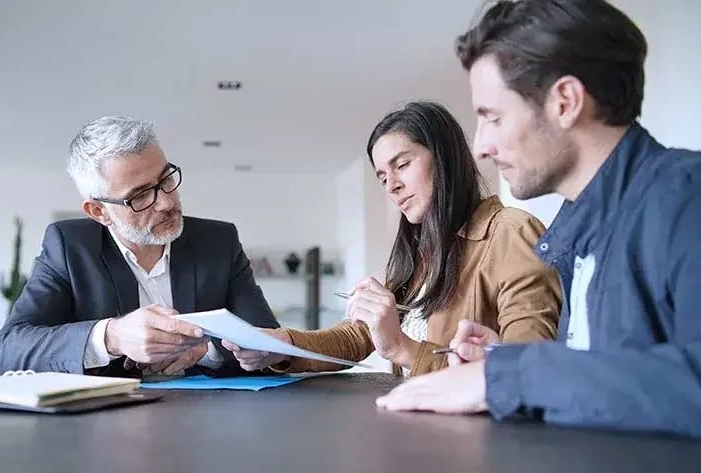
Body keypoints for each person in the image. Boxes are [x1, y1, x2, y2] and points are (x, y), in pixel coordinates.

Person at [374, 0, 701, 438]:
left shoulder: (686, 198)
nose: (481, 146)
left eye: (493, 117)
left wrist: (511, 376)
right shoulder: (580, 233)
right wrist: (503, 360)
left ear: (565, 101)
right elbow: (608, 380)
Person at [224, 101, 561, 376]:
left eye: (402, 165)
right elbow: (357, 336)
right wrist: (281, 345)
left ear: (445, 158)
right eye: (383, 177)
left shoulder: (512, 233)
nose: (392, 186)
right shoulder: (421, 250)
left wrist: (401, 347)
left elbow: (528, 370)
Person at [0, 116, 279, 377]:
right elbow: (9, 350)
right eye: (140, 196)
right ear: (98, 212)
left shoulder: (218, 241)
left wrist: (204, 353)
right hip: (102, 427)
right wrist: (111, 337)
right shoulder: (70, 247)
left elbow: (269, 341)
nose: (167, 202)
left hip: (206, 419)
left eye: (166, 179)